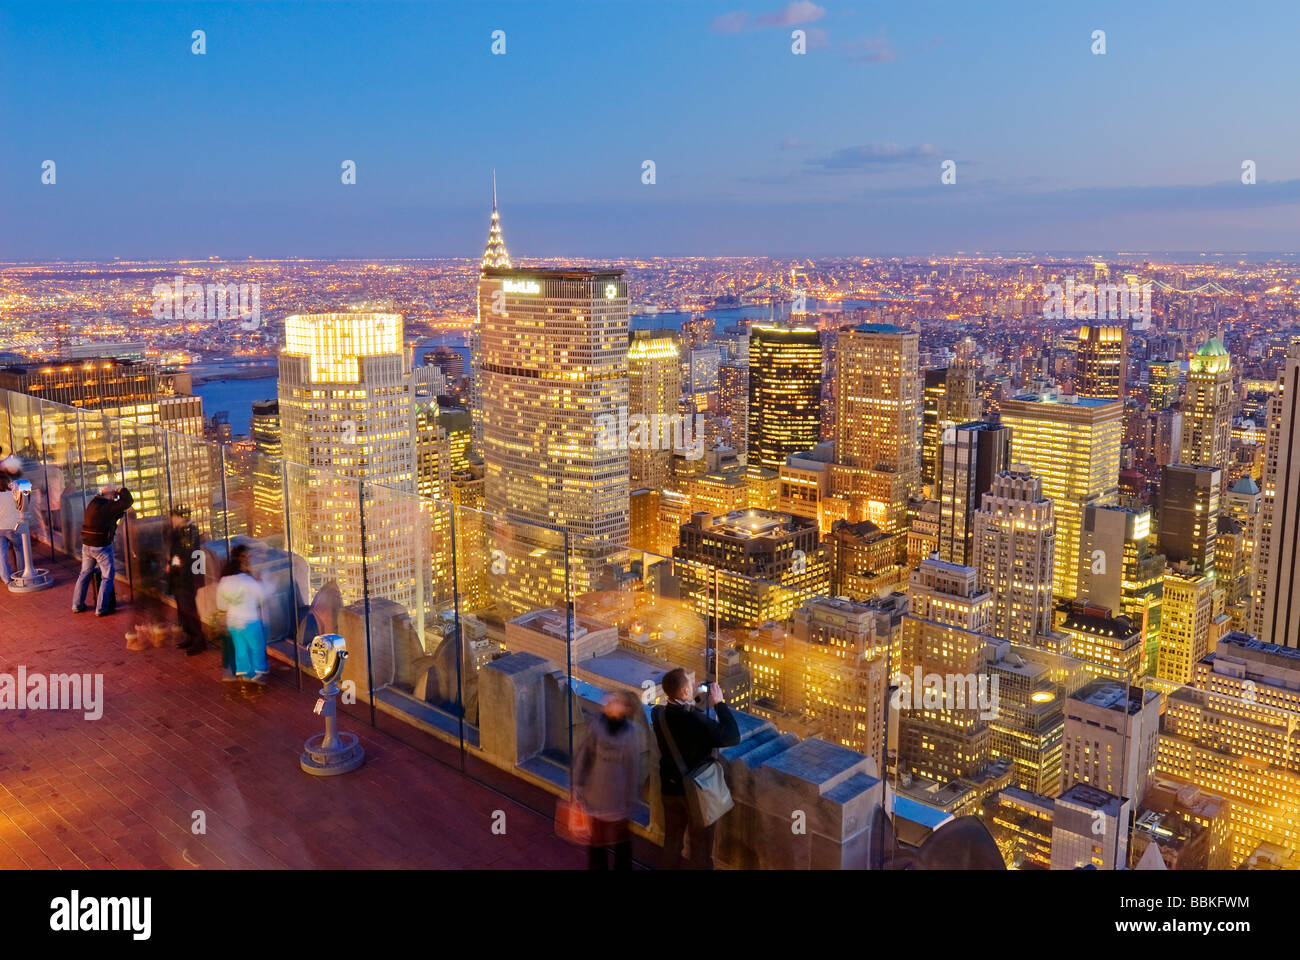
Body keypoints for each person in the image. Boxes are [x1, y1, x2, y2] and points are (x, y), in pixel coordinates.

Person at [651, 668, 740, 870]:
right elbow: (732, 736)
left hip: (669, 789)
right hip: (697, 793)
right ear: (683, 693)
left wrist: (691, 701)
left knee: (672, 842)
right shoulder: (696, 722)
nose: (693, 685)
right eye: (690, 684)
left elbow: (682, 718)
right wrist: (719, 704)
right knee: (700, 848)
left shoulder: (659, 716)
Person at [573, 690, 644, 871]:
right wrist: (578, 787)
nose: (610, 700)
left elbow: (632, 768)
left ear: (626, 709)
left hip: (618, 801)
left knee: (621, 847)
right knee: (597, 847)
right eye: (611, 698)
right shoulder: (596, 725)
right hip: (595, 797)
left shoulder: (630, 733)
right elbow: (584, 756)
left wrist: (630, 800)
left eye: (617, 700)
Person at [73, 484, 132, 616]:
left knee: (84, 574)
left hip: (86, 545)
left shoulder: (94, 503)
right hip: (100, 546)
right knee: (107, 577)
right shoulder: (108, 506)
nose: (114, 498)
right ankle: (101, 608)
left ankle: (77, 605)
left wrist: (114, 495)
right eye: (113, 495)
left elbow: (109, 518)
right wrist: (121, 491)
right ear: (109, 495)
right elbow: (128, 501)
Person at [215, 544, 268, 684]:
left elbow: (221, 602)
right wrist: (260, 581)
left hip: (232, 620)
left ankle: (242, 673)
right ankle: (256, 675)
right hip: (249, 619)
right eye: (246, 558)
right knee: (256, 647)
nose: (248, 561)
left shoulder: (225, 580)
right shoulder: (248, 580)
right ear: (241, 561)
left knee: (240, 648)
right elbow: (261, 595)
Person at [166, 508, 205, 655]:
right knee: (183, 609)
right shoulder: (178, 531)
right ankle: (190, 636)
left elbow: (188, 554)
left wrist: (175, 561)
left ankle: (198, 640)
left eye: (174, 517)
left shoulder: (189, 531)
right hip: (178, 577)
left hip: (186, 578)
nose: (172, 520)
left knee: (188, 608)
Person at [0, 457, 28, 584]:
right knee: (19, 549)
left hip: (0, 527)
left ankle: (6, 577)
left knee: (2, 554)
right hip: (13, 526)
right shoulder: (13, 493)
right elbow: (23, 504)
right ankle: (22, 572)